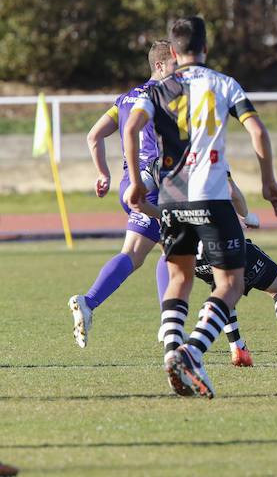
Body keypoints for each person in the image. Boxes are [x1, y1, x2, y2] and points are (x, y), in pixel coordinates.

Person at [124, 16, 277, 398]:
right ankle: (192, 352)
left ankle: (170, 355)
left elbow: (130, 129)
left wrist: (133, 181)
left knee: (178, 279)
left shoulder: (159, 88)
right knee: (231, 283)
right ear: (206, 48)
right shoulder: (224, 83)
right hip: (213, 199)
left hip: (172, 201)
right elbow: (257, 131)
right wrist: (268, 182)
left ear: (174, 53)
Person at [144, 175, 277, 369]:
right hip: (219, 239)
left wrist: (162, 219)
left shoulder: (160, 165)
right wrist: (246, 216)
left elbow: (136, 200)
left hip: (189, 249)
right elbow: (232, 192)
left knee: (222, 291)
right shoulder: (207, 155)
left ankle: (237, 348)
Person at [68, 40, 176, 348]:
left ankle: (92, 303)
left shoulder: (126, 99)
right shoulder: (166, 96)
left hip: (128, 184)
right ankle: (169, 323)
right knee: (167, 251)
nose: (179, 71)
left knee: (145, 252)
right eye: (175, 65)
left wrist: (103, 172)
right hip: (153, 185)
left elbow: (93, 135)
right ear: (160, 66)